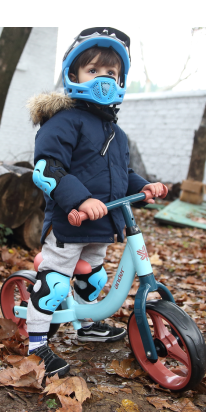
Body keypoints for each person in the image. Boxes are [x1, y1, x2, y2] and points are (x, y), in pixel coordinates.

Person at [25, 27, 167, 377]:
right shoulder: (64, 121)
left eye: (111, 73)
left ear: (121, 81)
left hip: (103, 223)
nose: (103, 79)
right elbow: (47, 169)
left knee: (93, 278)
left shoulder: (117, 134)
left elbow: (121, 174)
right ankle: (36, 346)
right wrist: (81, 198)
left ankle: (88, 325)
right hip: (70, 221)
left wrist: (144, 186)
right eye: (93, 70)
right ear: (74, 75)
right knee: (56, 282)